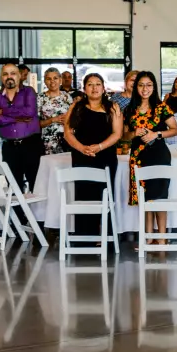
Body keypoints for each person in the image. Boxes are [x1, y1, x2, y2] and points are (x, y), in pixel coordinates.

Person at [64, 73, 123, 238]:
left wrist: (99, 147)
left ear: (104, 88)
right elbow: (68, 133)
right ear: (85, 89)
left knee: (104, 195)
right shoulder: (76, 107)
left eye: (98, 84)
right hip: (82, 157)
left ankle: (105, 236)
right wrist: (82, 148)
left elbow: (117, 134)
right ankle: (84, 236)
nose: (94, 87)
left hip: (106, 157)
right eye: (90, 84)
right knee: (84, 195)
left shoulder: (113, 107)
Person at [123, 71, 177, 236]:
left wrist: (157, 134)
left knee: (159, 197)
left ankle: (161, 237)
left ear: (154, 87)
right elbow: (124, 136)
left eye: (148, 85)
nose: (144, 88)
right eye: (141, 85)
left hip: (159, 155)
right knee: (145, 197)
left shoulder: (161, 107)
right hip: (139, 157)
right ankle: (148, 238)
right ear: (136, 87)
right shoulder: (130, 109)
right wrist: (134, 133)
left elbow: (175, 130)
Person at [0, 62, 43, 193]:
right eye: (5, 74)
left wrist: (4, 112)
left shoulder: (29, 91)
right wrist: (15, 118)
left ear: (19, 76)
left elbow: (29, 112)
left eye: (13, 73)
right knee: (13, 185)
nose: (9, 77)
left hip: (31, 145)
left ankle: (34, 213)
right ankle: (19, 214)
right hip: (9, 147)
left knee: (35, 183)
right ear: (1, 78)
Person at [38, 67, 74, 155]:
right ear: (45, 81)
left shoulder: (67, 97)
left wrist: (69, 121)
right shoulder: (40, 98)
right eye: (48, 79)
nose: (52, 81)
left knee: (67, 167)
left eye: (55, 78)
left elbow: (74, 118)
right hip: (48, 142)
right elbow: (35, 123)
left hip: (67, 140)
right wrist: (52, 120)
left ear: (60, 80)